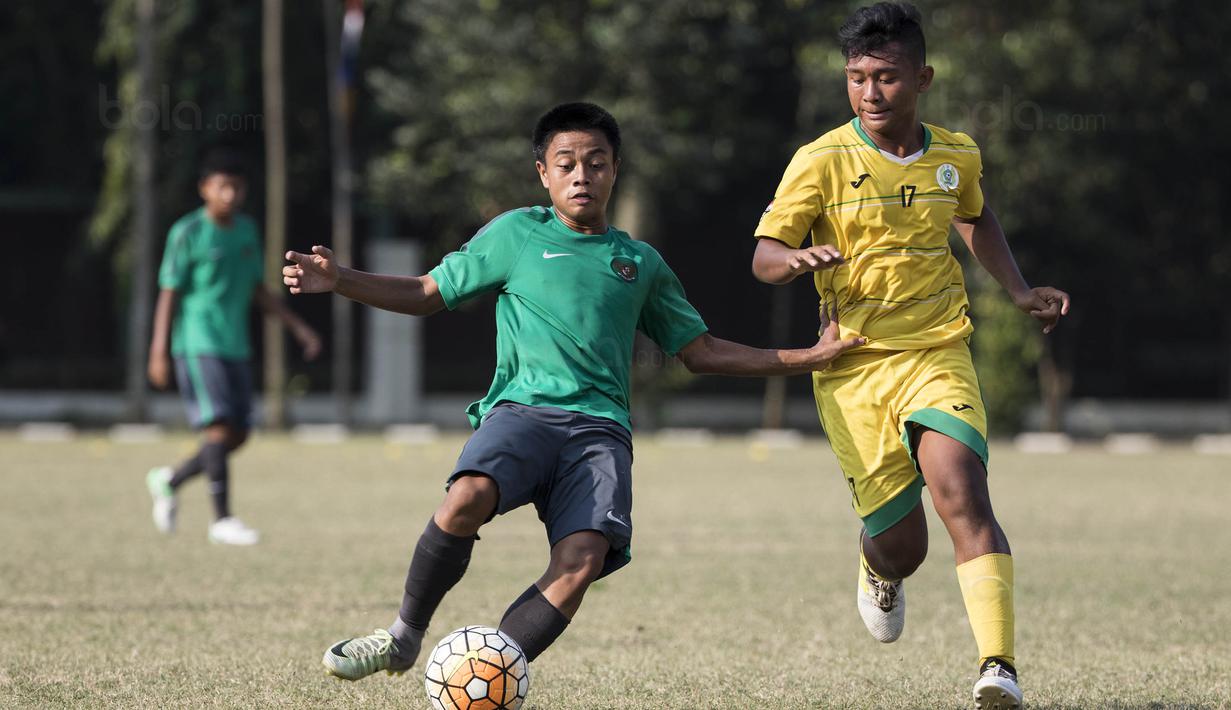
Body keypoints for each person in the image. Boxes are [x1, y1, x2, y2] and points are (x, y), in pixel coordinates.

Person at [283, 102, 866, 682]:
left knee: (583, 558)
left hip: (599, 432)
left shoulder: (639, 262)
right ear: (544, 173)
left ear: (615, 170)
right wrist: (341, 280)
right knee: (466, 496)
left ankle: (488, 673)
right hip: (522, 413)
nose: (581, 175)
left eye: (596, 163)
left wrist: (809, 357)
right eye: (566, 164)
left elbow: (701, 351)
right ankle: (403, 636)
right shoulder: (517, 233)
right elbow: (426, 292)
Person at [751, 3, 1070, 708]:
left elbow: (974, 215)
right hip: (852, 368)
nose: (869, 92)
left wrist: (1018, 291)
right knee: (904, 547)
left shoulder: (955, 156)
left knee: (963, 492)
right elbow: (764, 256)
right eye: (856, 77)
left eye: (886, 77)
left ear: (922, 78)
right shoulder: (820, 160)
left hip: (936, 351)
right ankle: (879, 568)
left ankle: (998, 666)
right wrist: (795, 259)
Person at [145, 148, 321, 546]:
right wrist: (158, 350)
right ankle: (222, 520)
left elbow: (259, 289)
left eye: (237, 187)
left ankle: (170, 480)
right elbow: (169, 293)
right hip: (197, 343)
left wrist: (298, 328)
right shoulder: (187, 232)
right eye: (222, 186)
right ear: (205, 188)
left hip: (235, 344)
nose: (230, 194)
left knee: (238, 434)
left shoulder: (246, 231)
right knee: (218, 427)